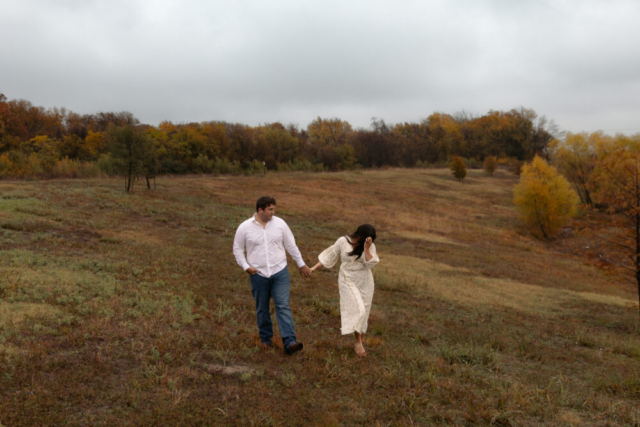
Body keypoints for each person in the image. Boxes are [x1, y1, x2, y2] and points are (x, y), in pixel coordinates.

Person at [233, 196, 311, 355]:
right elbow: (238, 250)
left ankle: (290, 343)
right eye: (270, 209)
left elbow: (291, 245)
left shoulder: (280, 224)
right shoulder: (244, 228)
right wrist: (246, 267)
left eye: (274, 209)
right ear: (260, 210)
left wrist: (301, 264)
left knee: (282, 305)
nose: (273, 213)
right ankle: (265, 340)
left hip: (279, 271)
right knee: (262, 308)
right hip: (258, 274)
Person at [309, 224, 379, 357]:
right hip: (348, 279)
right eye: (366, 239)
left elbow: (370, 263)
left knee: (365, 310)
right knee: (359, 309)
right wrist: (313, 268)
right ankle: (358, 342)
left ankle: (359, 342)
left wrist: (367, 248)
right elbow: (330, 255)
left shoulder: (369, 245)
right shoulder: (342, 241)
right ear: (359, 234)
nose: (368, 242)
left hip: (365, 281)